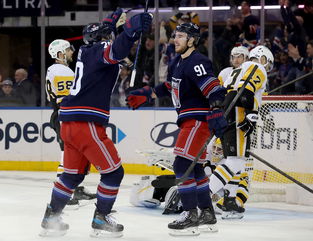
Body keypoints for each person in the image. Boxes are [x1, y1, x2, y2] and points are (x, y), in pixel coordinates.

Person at [40, 9, 152, 238]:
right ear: (104, 38)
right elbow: (116, 49)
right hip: (86, 123)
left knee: (71, 175)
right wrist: (131, 30)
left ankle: (51, 217)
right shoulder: (100, 51)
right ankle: (101, 217)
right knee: (113, 173)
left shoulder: (85, 51)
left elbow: (109, 44)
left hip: (69, 123)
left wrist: (112, 24)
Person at [127, 22, 227, 236]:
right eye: (175, 36)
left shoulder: (198, 62)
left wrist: (217, 109)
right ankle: (207, 213)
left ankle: (190, 214)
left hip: (197, 120)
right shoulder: (176, 63)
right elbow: (169, 87)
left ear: (192, 40)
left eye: (181, 36)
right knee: (196, 169)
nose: (176, 39)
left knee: (181, 165)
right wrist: (146, 94)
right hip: (188, 120)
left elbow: (213, 88)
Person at [209, 45, 274, 218]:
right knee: (235, 162)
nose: (267, 67)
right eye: (267, 63)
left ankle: (230, 201)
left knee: (236, 162)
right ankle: (205, 195)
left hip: (227, 111)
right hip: (238, 112)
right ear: (262, 58)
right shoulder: (256, 67)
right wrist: (251, 113)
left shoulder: (237, 70)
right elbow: (245, 90)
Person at [45, 39, 96, 207]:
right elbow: (68, 98)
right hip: (65, 115)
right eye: (68, 50)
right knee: (66, 155)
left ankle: (75, 188)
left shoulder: (60, 69)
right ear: (60, 54)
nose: (71, 52)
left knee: (76, 154)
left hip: (63, 114)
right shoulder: (61, 70)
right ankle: (65, 192)